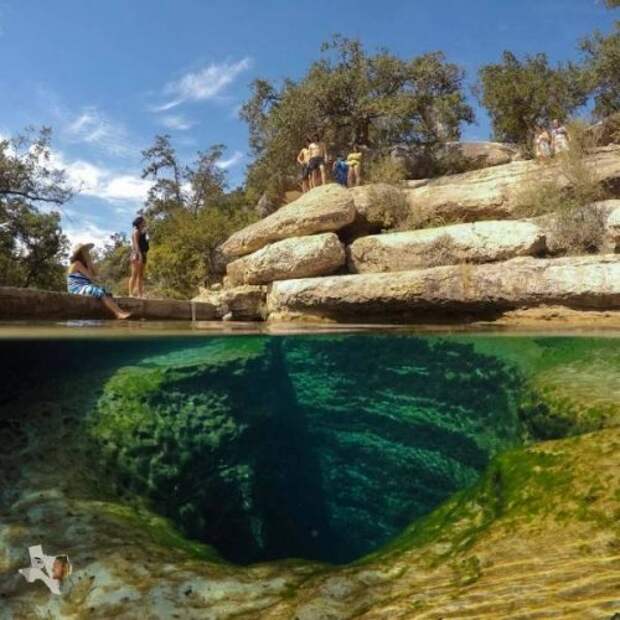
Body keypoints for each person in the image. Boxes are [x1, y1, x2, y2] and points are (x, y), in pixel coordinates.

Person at [67, 242, 131, 320]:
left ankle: (118, 311)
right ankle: (118, 313)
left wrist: (90, 263)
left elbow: (97, 276)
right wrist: (89, 263)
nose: (87, 253)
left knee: (105, 290)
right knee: (99, 291)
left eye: (87, 251)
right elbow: (92, 278)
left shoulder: (85, 264)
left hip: (85, 286)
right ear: (80, 254)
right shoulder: (77, 264)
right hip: (77, 288)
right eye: (85, 251)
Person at [129, 215, 149, 298]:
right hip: (137, 255)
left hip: (143, 254)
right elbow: (136, 245)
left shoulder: (142, 232)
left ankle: (140, 294)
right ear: (140, 222)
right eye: (143, 221)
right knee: (134, 274)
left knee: (141, 275)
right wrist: (139, 255)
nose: (145, 222)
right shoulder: (136, 232)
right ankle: (130, 293)